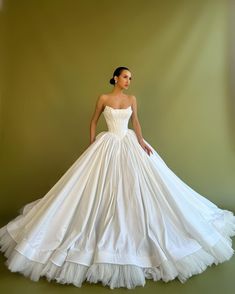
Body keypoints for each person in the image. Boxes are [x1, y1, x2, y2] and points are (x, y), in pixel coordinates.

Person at [0, 66, 235, 290]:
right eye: (125, 77)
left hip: (130, 144)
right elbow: (93, 121)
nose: (128, 81)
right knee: (98, 191)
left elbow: (136, 122)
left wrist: (141, 142)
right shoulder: (103, 98)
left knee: (136, 189)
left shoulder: (132, 99)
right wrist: (92, 144)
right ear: (114, 78)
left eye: (130, 78)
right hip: (108, 144)